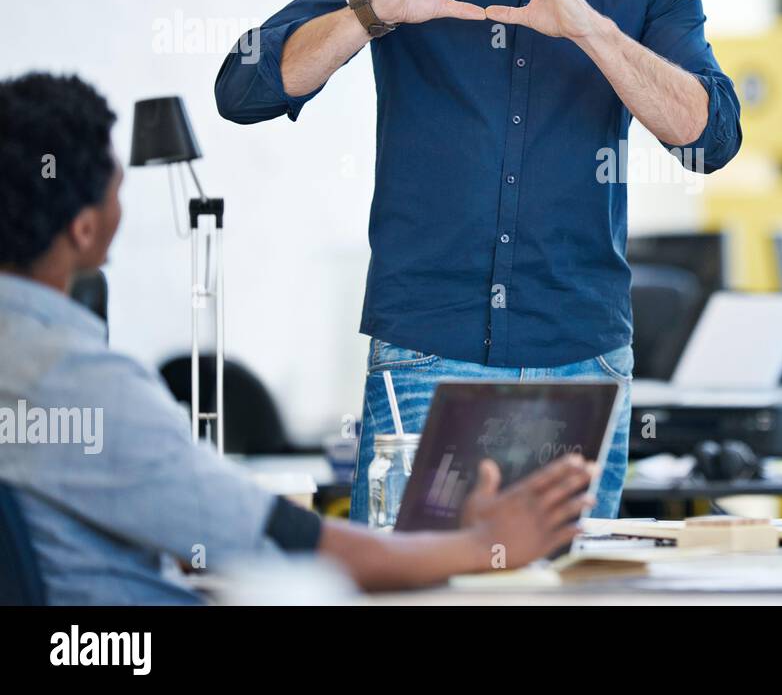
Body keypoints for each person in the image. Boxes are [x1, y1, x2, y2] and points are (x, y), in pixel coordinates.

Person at [212, 0, 742, 523]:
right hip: (425, 351)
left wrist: (588, 27)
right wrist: (376, 9)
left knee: (565, 587)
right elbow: (244, 85)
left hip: (581, 358)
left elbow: (709, 138)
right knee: (407, 587)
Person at [0, 72, 595, 605]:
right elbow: (297, 546)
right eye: (117, 187)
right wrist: (486, 543)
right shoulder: (79, 382)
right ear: (83, 229)